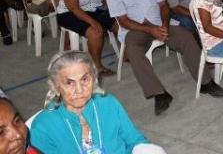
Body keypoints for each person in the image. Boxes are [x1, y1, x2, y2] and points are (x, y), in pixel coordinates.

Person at [107, 0, 223, 116]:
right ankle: (159, 93)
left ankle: (205, 82)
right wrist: (150, 29)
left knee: (187, 38)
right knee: (133, 51)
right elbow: (123, 21)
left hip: (160, 24)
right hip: (136, 29)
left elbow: (164, 6)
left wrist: (164, 24)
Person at [30, 51, 167, 153]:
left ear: (94, 79)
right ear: (55, 85)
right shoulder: (43, 126)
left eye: (84, 79)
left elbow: (135, 140)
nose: (79, 90)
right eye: (69, 83)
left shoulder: (107, 104)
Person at [56, 0, 117, 76]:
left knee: (119, 24)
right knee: (95, 32)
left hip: (93, 9)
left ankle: (127, 54)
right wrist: (93, 22)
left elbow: (104, 0)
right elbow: (74, 8)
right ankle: (97, 66)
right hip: (69, 13)